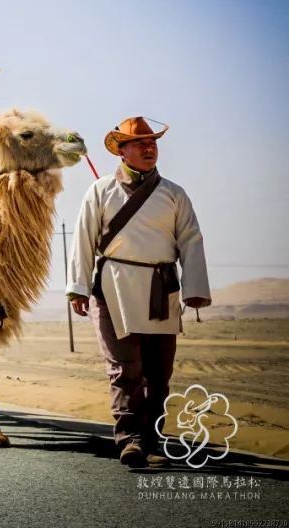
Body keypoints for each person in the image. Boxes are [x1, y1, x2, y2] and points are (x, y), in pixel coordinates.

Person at [66, 117, 211, 468]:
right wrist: (78, 288)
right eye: (140, 143)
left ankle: (155, 439)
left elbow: (191, 240)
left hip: (162, 288)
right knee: (124, 369)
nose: (149, 148)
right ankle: (130, 438)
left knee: (159, 372)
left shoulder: (174, 194)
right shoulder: (100, 191)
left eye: (153, 143)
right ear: (121, 150)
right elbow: (84, 239)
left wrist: (194, 288)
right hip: (112, 287)